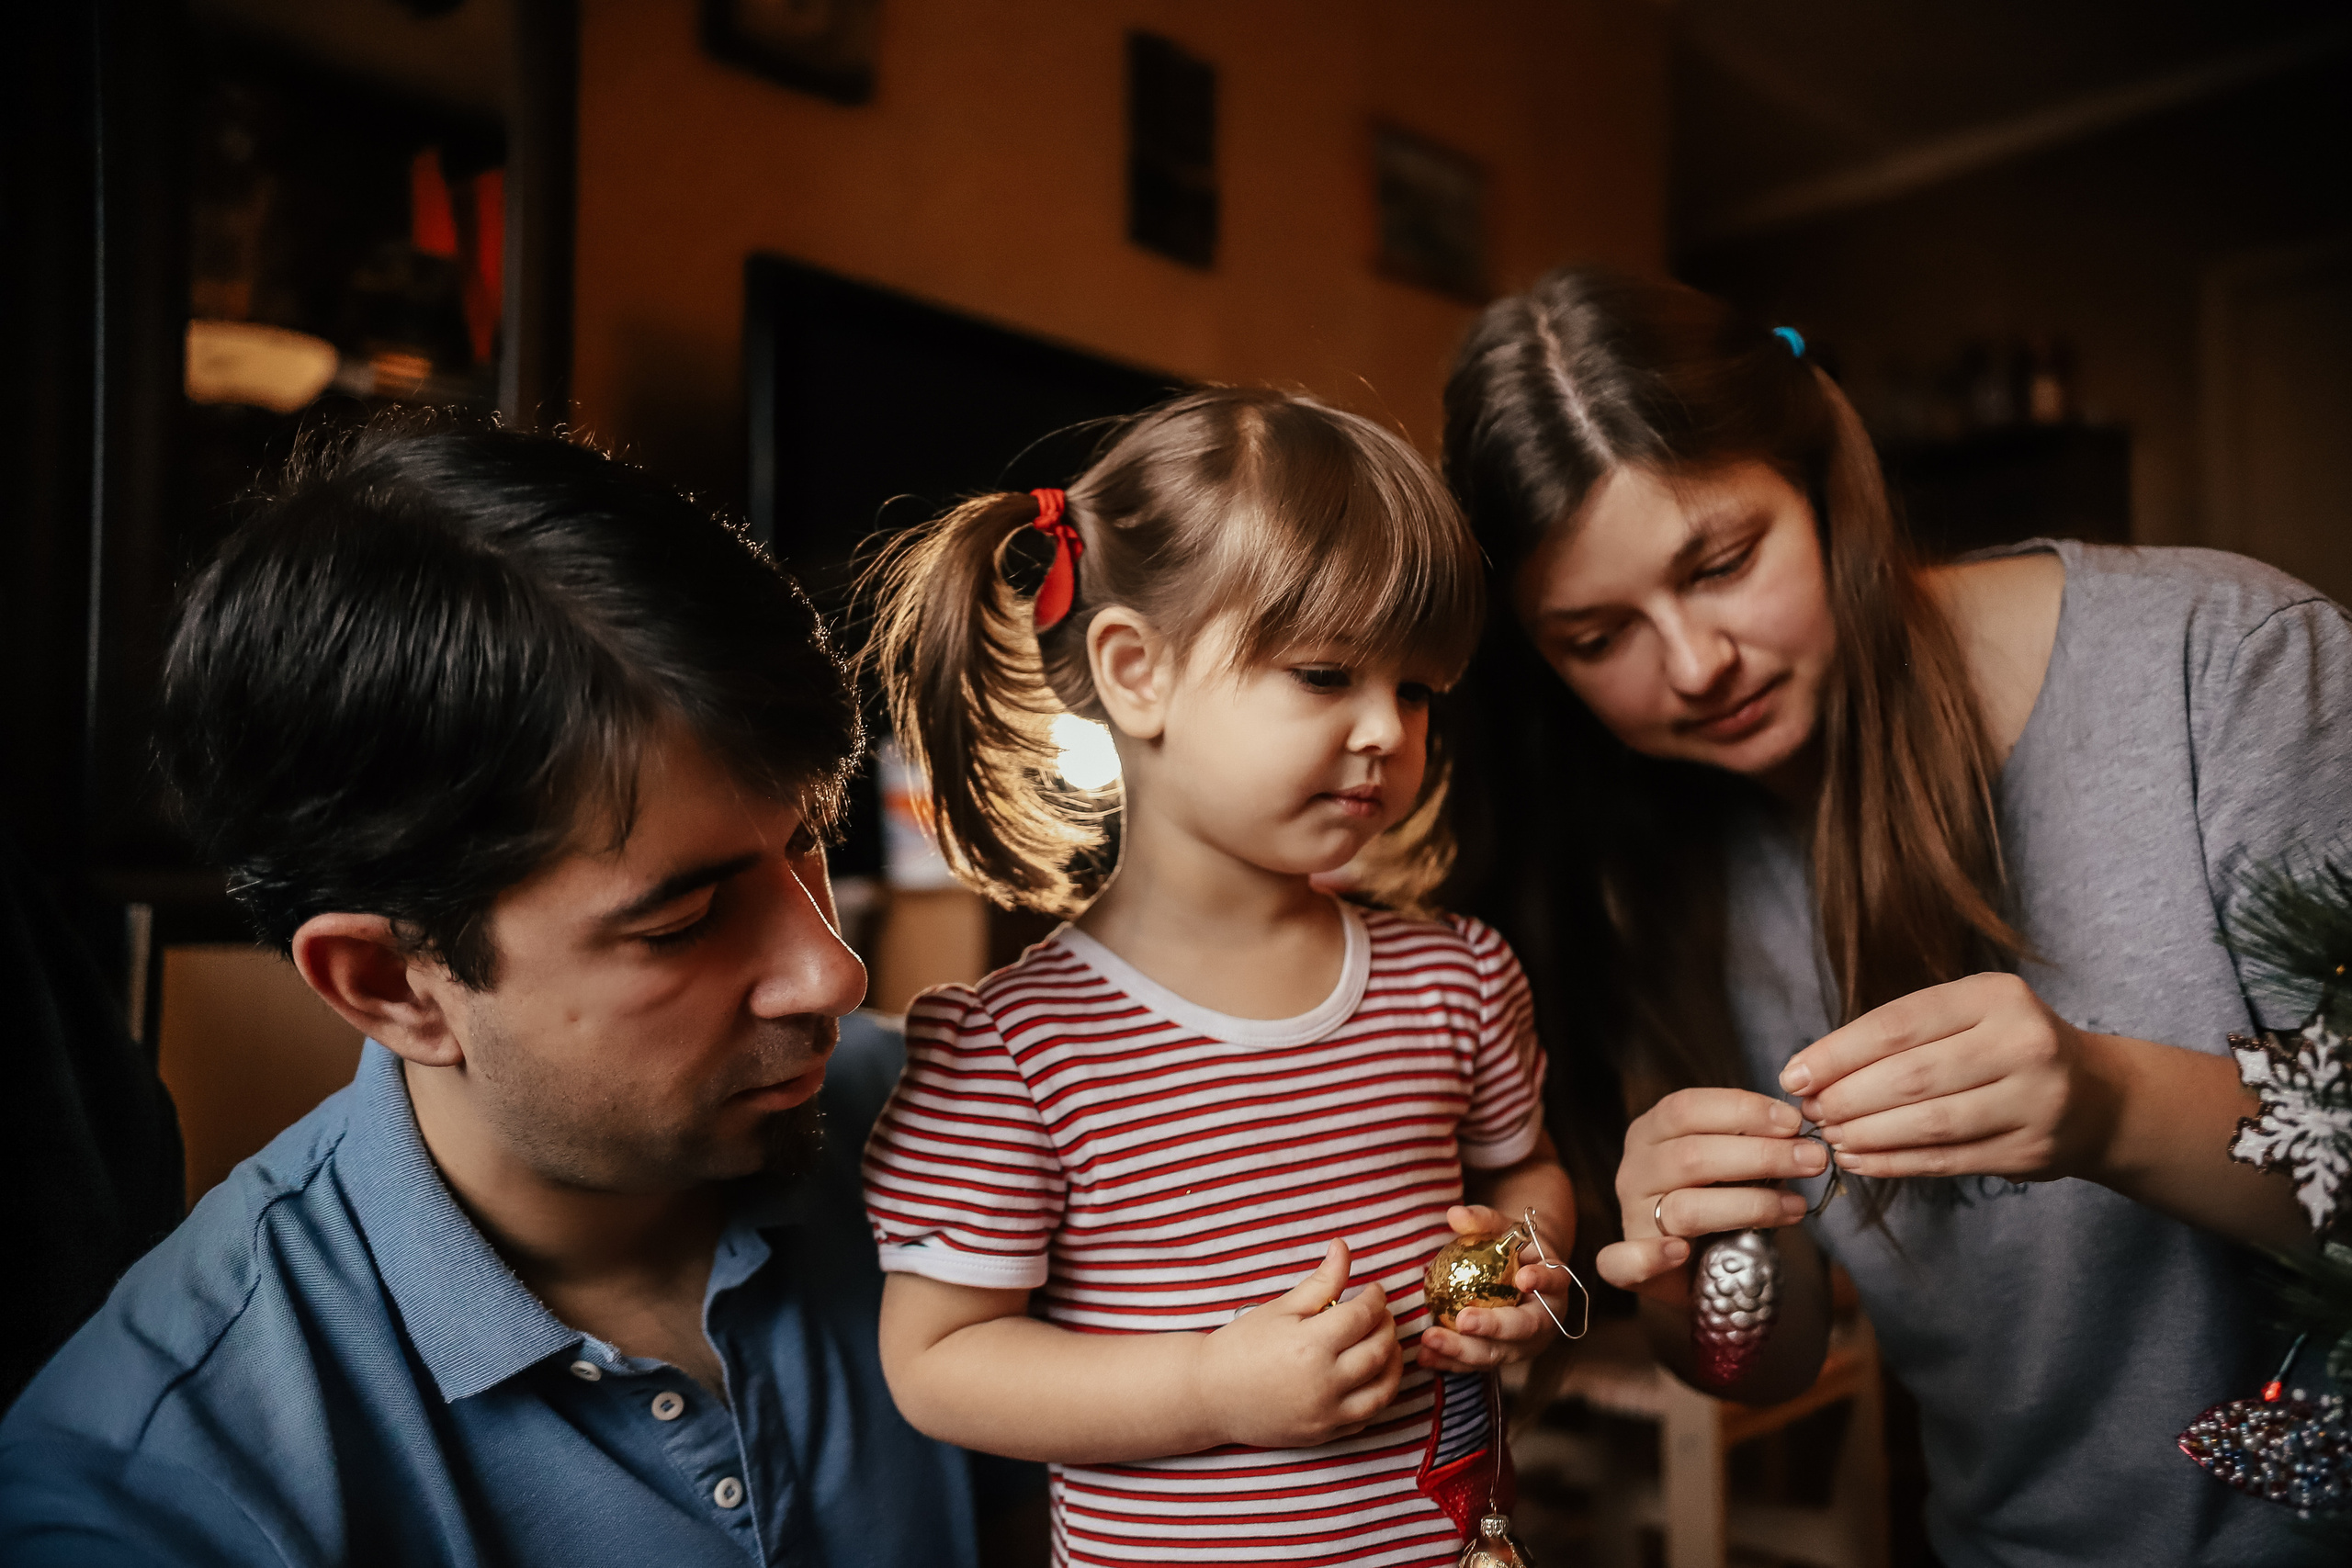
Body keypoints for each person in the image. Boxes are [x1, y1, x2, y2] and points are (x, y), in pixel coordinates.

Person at [1439, 266, 2351, 1567]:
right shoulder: (1656, 868)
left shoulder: (2232, 660)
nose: (1695, 666)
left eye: (1723, 561)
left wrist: (2108, 1104)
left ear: (1820, 476)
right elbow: (1760, 1360)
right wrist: (1707, 1264)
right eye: (1597, 636)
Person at [0, 424, 1008, 1566]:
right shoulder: (162, 1489)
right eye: (680, 923)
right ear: (392, 985)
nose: (834, 970)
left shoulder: (977, 1126)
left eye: (811, 841)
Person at [858, 386, 1577, 1566]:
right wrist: (1208, 1388)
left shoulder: (1457, 978)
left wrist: (1519, 1272)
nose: (1389, 732)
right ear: (1136, 672)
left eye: (1415, 690)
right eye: (1324, 675)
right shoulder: (1012, 1048)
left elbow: (1529, 1173)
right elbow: (938, 1364)